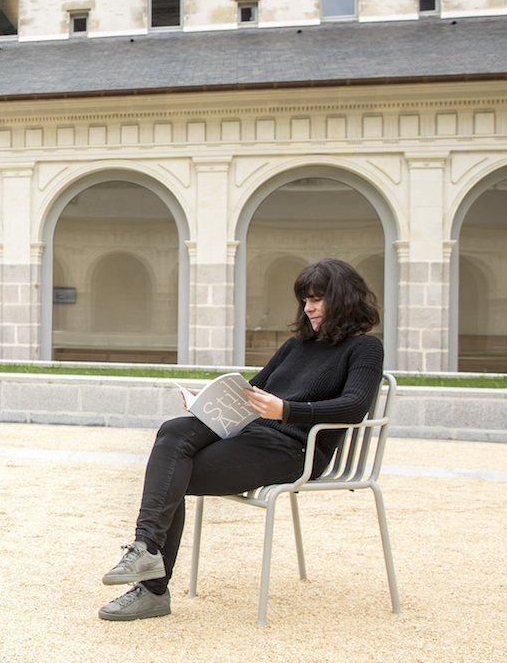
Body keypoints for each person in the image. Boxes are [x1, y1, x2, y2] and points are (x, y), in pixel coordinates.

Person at [99, 258, 384, 621]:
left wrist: (287, 410)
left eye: (317, 299)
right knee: (174, 430)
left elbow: (354, 406)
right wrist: (207, 402)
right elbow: (252, 394)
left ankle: (152, 585)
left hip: (293, 449)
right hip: (250, 432)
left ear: (343, 299)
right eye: (305, 300)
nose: (308, 308)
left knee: (172, 473)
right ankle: (146, 550)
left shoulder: (365, 349)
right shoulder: (296, 347)